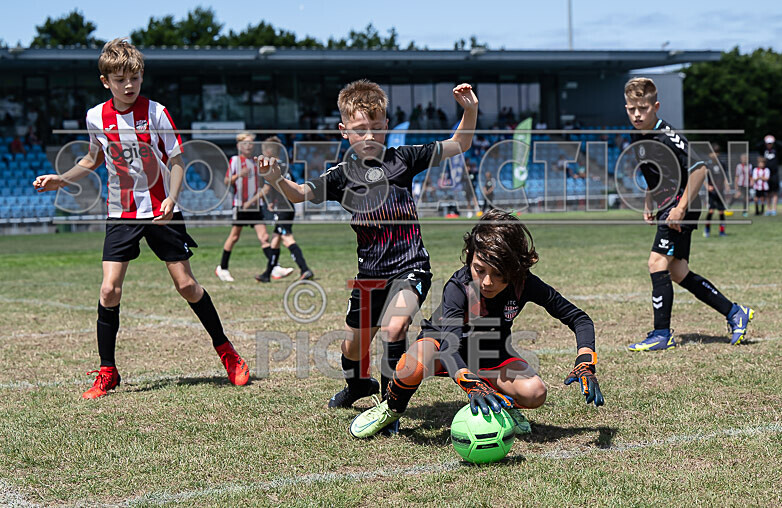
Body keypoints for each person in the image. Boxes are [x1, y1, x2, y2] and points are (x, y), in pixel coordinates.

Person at [32, 38, 249, 398]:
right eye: (119, 80)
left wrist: (173, 199)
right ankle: (108, 371)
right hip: (121, 212)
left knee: (186, 286)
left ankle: (226, 351)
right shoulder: (94, 117)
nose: (128, 86)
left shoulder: (157, 113)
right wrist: (60, 179)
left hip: (162, 209)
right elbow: (92, 159)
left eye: (134, 77)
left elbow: (177, 161)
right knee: (108, 289)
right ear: (106, 82)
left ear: (141, 75)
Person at [257, 79, 480, 417]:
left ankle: (391, 407)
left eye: (376, 128)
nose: (370, 135)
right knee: (352, 347)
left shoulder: (405, 158)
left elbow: (459, 144)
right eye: (360, 129)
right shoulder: (341, 175)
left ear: (387, 127)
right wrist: (275, 179)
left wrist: (470, 110)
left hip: (410, 267)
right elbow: (299, 193)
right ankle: (358, 385)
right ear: (344, 131)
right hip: (369, 276)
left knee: (395, 327)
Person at [348, 210, 604, 438]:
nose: (487, 282)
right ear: (470, 257)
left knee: (535, 392)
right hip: (442, 349)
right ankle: (390, 409)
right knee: (412, 365)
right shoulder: (458, 287)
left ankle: (501, 404)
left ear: (515, 270)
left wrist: (585, 361)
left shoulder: (525, 284)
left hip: (489, 353)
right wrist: (469, 382)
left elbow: (579, 319)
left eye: (499, 275)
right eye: (479, 269)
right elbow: (449, 345)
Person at [622, 78, 753, 351]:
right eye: (632, 109)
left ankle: (661, 334)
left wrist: (680, 209)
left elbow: (700, 169)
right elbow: (654, 173)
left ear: (655, 106)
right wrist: (649, 201)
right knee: (678, 271)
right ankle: (734, 312)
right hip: (668, 206)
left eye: (643, 108)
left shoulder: (667, 135)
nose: (636, 114)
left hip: (680, 207)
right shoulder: (637, 134)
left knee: (656, 262)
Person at [215, 132, 292, 282]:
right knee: (234, 236)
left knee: (264, 237)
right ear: (239, 146)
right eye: (245, 143)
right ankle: (222, 268)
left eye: (251, 143)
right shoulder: (235, 161)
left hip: (256, 205)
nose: (249, 146)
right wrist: (239, 176)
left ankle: (275, 267)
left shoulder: (256, 162)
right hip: (241, 206)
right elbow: (226, 181)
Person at [246, 136, 314, 282]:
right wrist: (274, 201)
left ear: (269, 151)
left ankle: (305, 269)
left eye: (264, 151)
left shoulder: (271, 167)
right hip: (286, 206)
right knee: (275, 241)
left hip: (283, 209)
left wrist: (250, 202)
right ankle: (267, 274)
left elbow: (266, 188)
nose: (263, 154)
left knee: (287, 238)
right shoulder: (285, 166)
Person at [704, 144, 729, 237]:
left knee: (721, 212)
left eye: (716, 153)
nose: (715, 155)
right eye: (712, 153)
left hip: (720, 191)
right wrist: (707, 186)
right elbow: (702, 177)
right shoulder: (707, 165)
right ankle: (707, 230)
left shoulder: (722, 164)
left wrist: (727, 185)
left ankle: (722, 231)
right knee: (711, 211)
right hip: (712, 192)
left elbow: (724, 176)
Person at [761, 135, 782, 216]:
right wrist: (764, 140)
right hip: (766, 174)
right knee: (768, 193)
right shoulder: (763, 150)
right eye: (767, 143)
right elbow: (757, 145)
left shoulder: (776, 149)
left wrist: (774, 141)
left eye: (770, 143)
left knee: (775, 192)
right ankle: (768, 209)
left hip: (775, 174)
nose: (769, 145)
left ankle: (774, 209)